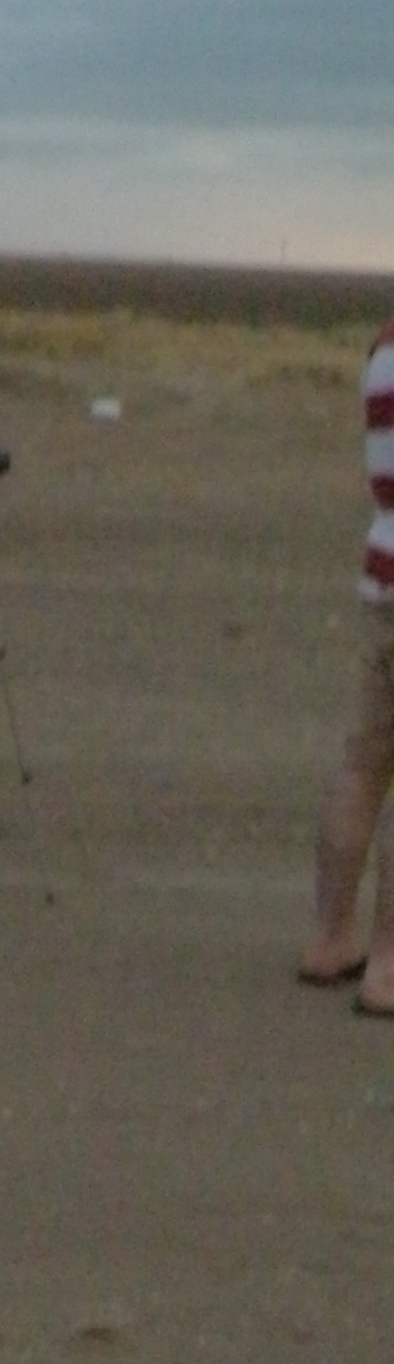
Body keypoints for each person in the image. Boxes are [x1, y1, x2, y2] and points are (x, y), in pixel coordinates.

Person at [298, 305, 394, 1015]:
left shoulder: (383, 349)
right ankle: (388, 968)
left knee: (363, 764)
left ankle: (330, 936)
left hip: (385, 577)